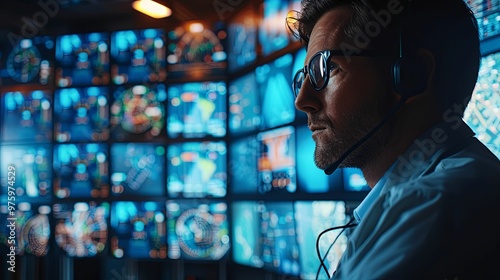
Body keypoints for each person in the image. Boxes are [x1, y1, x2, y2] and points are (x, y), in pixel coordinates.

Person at [288, 0, 500, 279]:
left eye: (326, 69)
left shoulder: (432, 204)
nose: (303, 101)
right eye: (303, 78)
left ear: (411, 76)